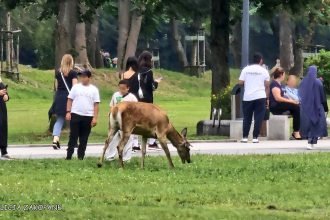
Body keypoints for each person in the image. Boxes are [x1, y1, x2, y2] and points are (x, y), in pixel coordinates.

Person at [65, 70, 100, 160]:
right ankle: (69, 155)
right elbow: (70, 99)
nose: (82, 79)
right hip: (76, 114)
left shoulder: (94, 90)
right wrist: (68, 112)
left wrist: (95, 118)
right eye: (81, 77)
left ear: (89, 78)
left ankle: (81, 156)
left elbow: (96, 104)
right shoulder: (76, 87)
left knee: (84, 138)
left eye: (84, 77)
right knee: (73, 136)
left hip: (88, 116)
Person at [238, 53, 270, 143]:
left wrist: (248, 83)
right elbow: (267, 85)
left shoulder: (246, 69)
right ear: (261, 60)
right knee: (258, 118)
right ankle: (255, 137)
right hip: (260, 96)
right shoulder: (264, 71)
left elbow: (240, 82)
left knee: (247, 117)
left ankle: (244, 137)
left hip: (248, 97)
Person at [106, 80, 138, 161]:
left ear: (128, 88)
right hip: (116, 121)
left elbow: (137, 110)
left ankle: (126, 158)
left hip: (127, 122)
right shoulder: (115, 95)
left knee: (127, 139)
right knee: (113, 138)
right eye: (120, 88)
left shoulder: (132, 97)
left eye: (123, 89)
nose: (121, 90)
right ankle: (110, 156)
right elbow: (112, 106)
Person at [52, 54, 78, 150]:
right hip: (69, 98)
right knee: (73, 120)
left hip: (59, 97)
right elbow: (75, 87)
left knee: (59, 120)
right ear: (71, 62)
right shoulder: (73, 73)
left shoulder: (58, 73)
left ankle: (55, 139)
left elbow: (56, 86)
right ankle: (73, 141)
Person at [299, 66, 328, 150]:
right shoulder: (318, 82)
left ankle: (309, 140)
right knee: (316, 125)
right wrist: (326, 108)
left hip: (306, 108)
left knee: (308, 125)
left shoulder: (303, 82)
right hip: (317, 107)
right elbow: (323, 97)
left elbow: (300, 94)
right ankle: (311, 141)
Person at [137, 51, 162, 148]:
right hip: (147, 99)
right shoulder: (148, 71)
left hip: (137, 98)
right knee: (151, 120)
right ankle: (152, 142)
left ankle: (136, 144)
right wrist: (156, 82)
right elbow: (151, 87)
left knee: (138, 120)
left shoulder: (136, 70)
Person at [269, 68, 301, 140]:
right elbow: (278, 98)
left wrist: (291, 100)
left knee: (296, 108)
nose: (284, 76)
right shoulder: (274, 84)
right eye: (284, 74)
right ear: (281, 75)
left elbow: (283, 96)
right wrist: (291, 102)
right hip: (275, 107)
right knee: (296, 107)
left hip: (279, 105)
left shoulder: (279, 84)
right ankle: (296, 132)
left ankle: (297, 131)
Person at [121, 56, 140, 150]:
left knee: (125, 121)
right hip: (134, 99)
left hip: (124, 99)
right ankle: (135, 143)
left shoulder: (123, 74)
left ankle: (125, 140)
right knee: (135, 121)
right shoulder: (137, 74)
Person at [0, 80, 12, 160]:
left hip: (1, 107)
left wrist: (6, 96)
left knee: (3, 128)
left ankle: (4, 151)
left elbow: (4, 92)